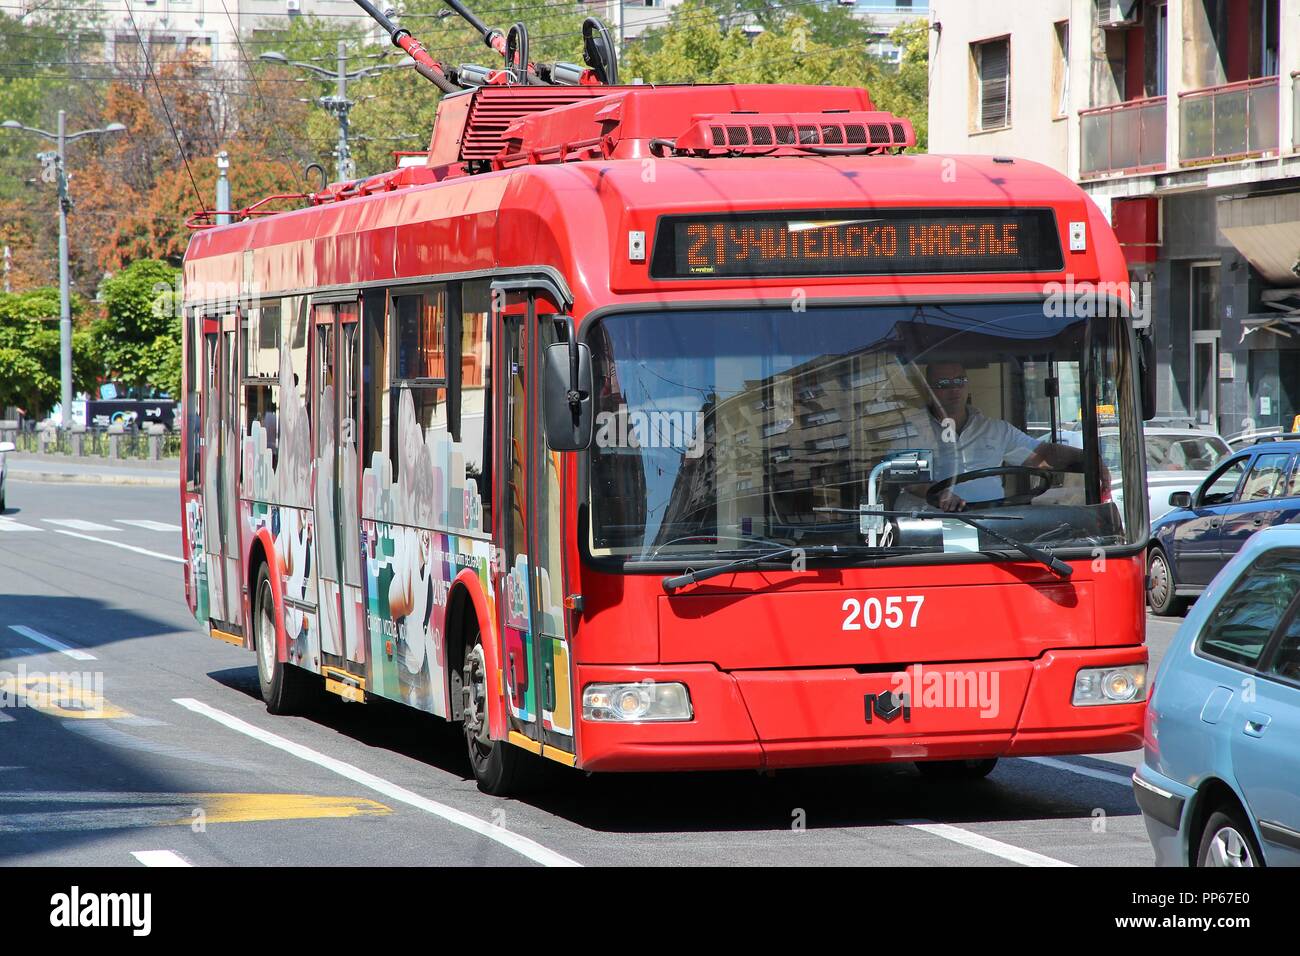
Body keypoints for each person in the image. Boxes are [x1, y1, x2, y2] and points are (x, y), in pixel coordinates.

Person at [900, 361, 1096, 512]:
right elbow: (908, 478)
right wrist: (939, 494)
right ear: (928, 390)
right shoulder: (912, 429)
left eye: (959, 381)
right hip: (931, 525)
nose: (954, 389)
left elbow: (1043, 454)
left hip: (993, 522)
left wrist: (1090, 459)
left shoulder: (996, 430)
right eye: (944, 383)